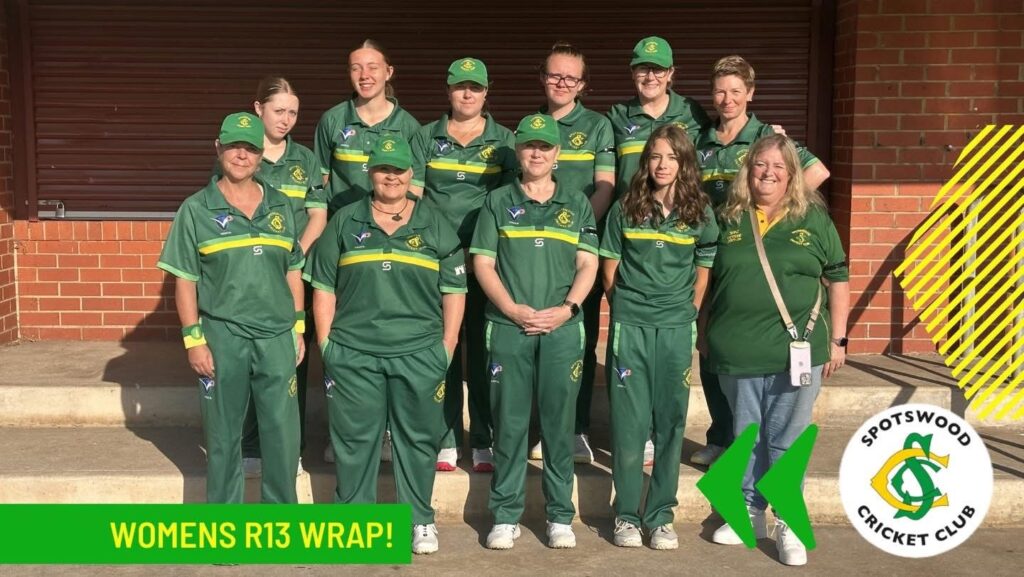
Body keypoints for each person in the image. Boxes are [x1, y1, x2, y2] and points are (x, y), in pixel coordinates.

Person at [308, 136, 467, 555]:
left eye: (398, 170)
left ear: (412, 174)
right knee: (353, 440)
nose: (391, 177)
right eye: (383, 169)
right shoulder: (344, 222)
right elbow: (324, 287)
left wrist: (447, 346)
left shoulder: (434, 223)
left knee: (417, 440)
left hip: (418, 352)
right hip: (354, 352)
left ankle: (419, 520)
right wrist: (326, 344)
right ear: (370, 172)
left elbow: (454, 290)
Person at [702, 134, 849, 566]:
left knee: (786, 437)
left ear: (792, 175)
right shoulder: (727, 216)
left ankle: (787, 519)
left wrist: (839, 339)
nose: (768, 173)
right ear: (748, 170)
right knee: (746, 433)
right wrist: (702, 331)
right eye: (760, 165)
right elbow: (708, 280)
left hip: (796, 349)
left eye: (778, 167)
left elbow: (838, 279)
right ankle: (749, 511)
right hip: (736, 348)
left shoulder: (813, 218)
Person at [690, 55, 831, 467]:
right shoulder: (701, 141)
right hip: (713, 253)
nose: (727, 99)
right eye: (720, 91)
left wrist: (781, 207)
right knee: (713, 346)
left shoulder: (767, 137)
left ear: (750, 93)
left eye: (736, 91)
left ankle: (746, 445)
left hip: (754, 253)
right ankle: (721, 435)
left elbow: (817, 171)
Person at [158, 112, 305, 503]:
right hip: (223, 334)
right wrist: (194, 340)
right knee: (223, 435)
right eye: (234, 146)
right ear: (218, 148)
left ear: (261, 155)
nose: (242, 155)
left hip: (276, 334)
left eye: (251, 148)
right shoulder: (196, 209)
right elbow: (185, 280)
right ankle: (226, 520)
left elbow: (293, 270)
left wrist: (298, 327)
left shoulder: (280, 205)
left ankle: (281, 519)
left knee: (283, 434)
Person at [470, 113, 599, 550]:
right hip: (510, 327)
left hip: (562, 329)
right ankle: (505, 514)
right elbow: (483, 262)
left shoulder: (577, 203)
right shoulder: (497, 201)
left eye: (545, 146)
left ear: (557, 153)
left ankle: (559, 515)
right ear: (518, 151)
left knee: (559, 426)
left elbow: (588, 263)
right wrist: (510, 308)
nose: (537, 153)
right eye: (529, 145)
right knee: (509, 424)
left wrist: (567, 309)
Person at [600, 124, 717, 550]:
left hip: (675, 327)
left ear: (685, 163)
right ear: (645, 162)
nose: (662, 165)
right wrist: (625, 306)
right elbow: (609, 267)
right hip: (631, 326)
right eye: (655, 156)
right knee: (630, 424)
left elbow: (704, 265)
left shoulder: (699, 210)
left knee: (670, 422)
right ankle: (627, 515)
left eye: (672, 157)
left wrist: (689, 309)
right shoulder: (626, 207)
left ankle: (661, 515)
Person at [410, 57, 518, 473]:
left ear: (486, 93)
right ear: (449, 90)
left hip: (487, 264)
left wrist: (482, 255)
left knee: (486, 352)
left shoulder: (504, 141)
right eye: (460, 87)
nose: (467, 94)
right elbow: (415, 200)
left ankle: (484, 438)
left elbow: (509, 204)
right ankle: (447, 437)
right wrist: (437, 253)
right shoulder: (424, 137)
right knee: (446, 349)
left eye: (475, 87)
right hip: (438, 263)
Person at [606, 35, 710, 466]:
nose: (649, 75)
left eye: (657, 68)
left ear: (671, 74)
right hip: (631, 235)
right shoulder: (616, 116)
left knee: (693, 354)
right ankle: (624, 434)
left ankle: (715, 435)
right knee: (629, 363)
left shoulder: (693, 115)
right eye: (642, 68)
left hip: (680, 237)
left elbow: (725, 140)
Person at [233, 77, 326, 479]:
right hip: (248, 277)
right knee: (250, 360)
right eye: (278, 111)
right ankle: (251, 445)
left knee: (292, 362)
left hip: (294, 277)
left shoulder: (306, 159)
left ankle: (291, 448)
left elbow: (318, 214)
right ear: (258, 109)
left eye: (293, 112)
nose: (286, 119)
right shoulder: (240, 155)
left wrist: (294, 254)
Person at [527, 42, 615, 465]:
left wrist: (575, 232)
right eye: (554, 75)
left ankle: (576, 429)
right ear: (542, 78)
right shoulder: (530, 124)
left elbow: (605, 187)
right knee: (533, 340)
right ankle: (536, 427)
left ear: (583, 85)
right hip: (533, 255)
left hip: (579, 250)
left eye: (570, 77)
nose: (561, 83)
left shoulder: (598, 126)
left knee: (578, 341)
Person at [314, 39, 421, 215]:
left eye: (373, 67)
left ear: (388, 72)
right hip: (340, 221)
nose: (364, 75)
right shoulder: (331, 120)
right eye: (356, 68)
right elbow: (323, 178)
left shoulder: (409, 127)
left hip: (388, 224)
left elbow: (414, 186)